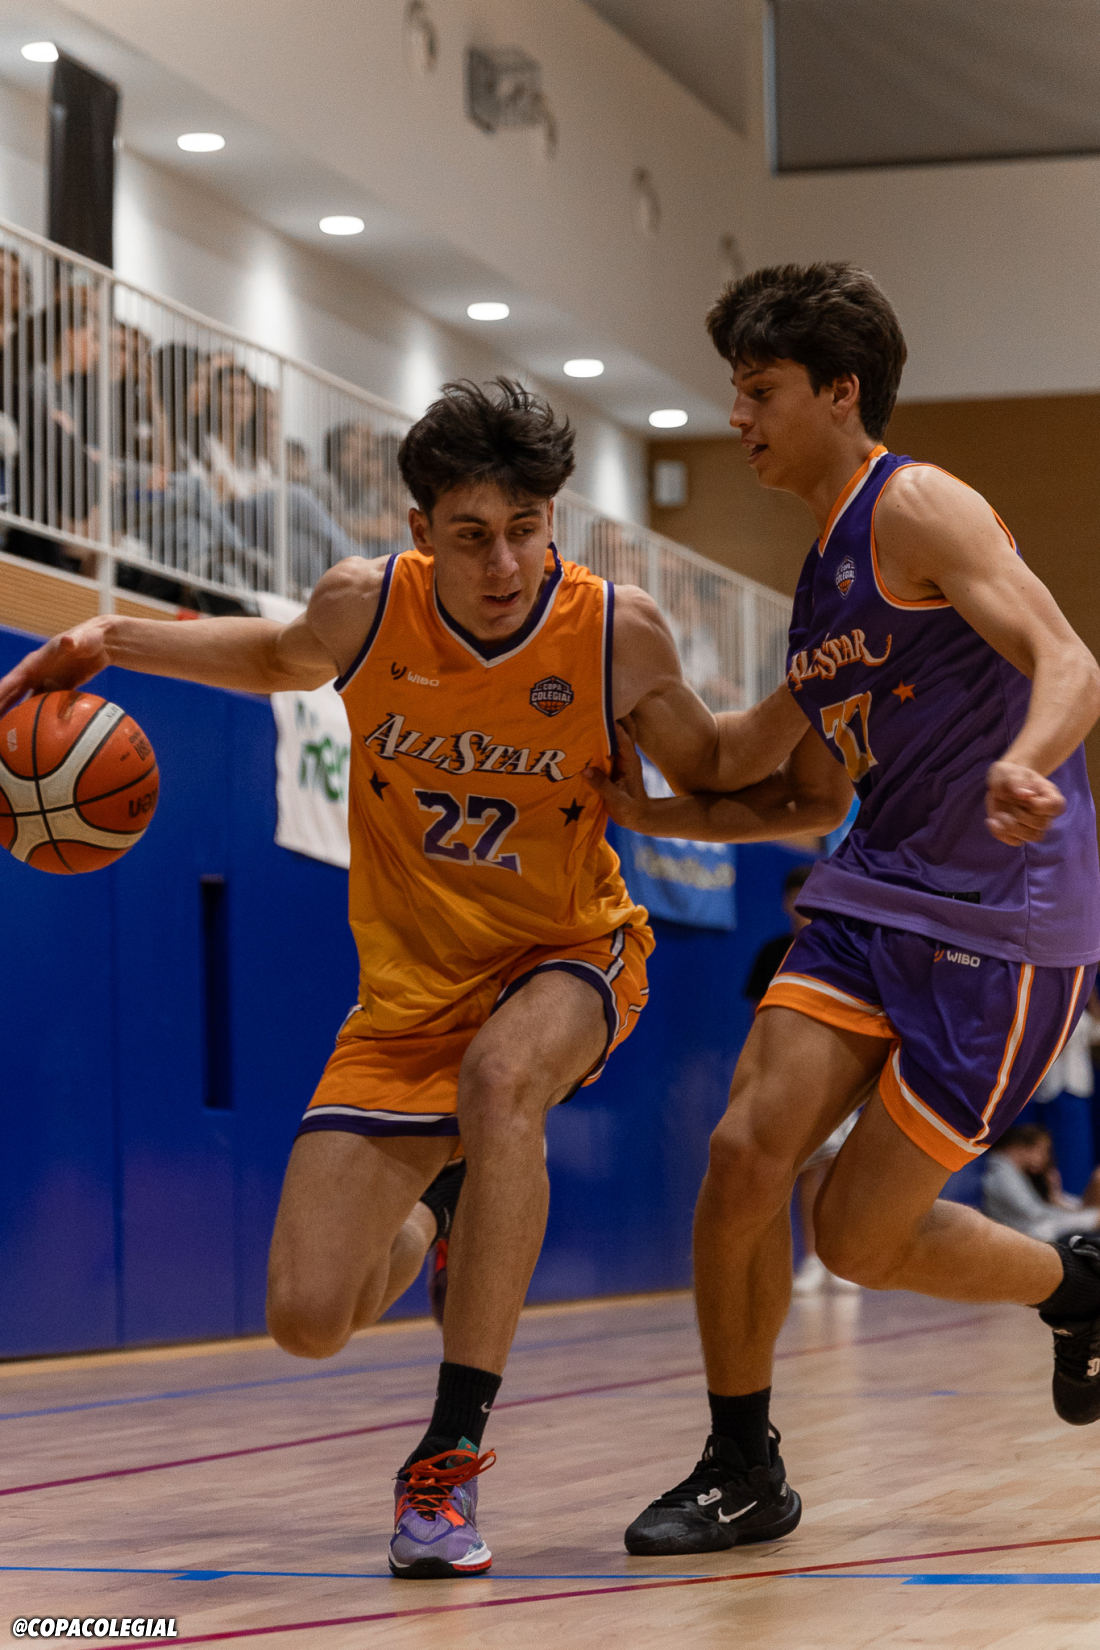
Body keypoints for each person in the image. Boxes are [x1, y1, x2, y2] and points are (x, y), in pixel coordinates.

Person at [0, 377, 769, 1579]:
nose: (502, 562)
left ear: (553, 521)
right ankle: (439, 1213)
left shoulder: (614, 634)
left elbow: (713, 760)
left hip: (569, 951)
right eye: (470, 535)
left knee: (502, 1081)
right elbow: (273, 655)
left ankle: (446, 1462)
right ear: (419, 531)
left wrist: (812, 714)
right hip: (409, 994)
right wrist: (108, 637)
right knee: (308, 1317)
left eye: (524, 530)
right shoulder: (364, 607)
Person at [587, 262, 1100, 1557]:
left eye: (759, 391)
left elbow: (1069, 661)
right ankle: (741, 1464)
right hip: (873, 892)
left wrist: (1026, 758)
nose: (737, 418)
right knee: (743, 1150)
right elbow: (771, 775)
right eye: (734, 392)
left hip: (1003, 912)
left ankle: (1077, 1282)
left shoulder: (915, 505)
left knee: (859, 1238)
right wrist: (630, 731)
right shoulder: (818, 580)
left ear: (839, 391)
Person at [744, 863, 859, 1295]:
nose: (803, 905)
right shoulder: (772, 953)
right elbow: (756, 1018)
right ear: (785, 902)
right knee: (806, 1167)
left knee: (838, 1165)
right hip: (785, 1073)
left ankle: (838, 1258)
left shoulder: (843, 951)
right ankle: (811, 1257)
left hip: (837, 1070)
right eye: (796, 897)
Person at [982, 1124, 1100, 1243]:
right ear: (1022, 1148)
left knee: (1092, 1215)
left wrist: (1056, 1195)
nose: (1045, 1158)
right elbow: (1034, 1213)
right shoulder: (1001, 1174)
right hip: (1029, 1233)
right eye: (1042, 1151)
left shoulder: (1016, 1172)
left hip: (1039, 1226)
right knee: (1094, 1217)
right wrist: (1079, 1215)